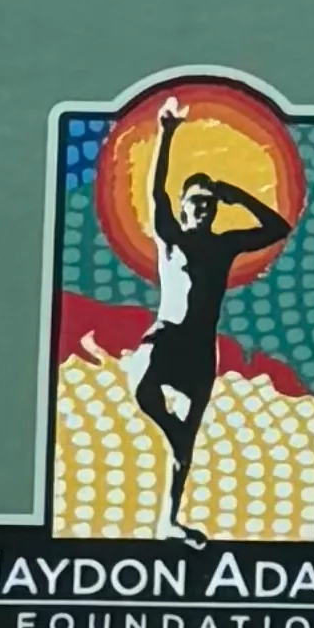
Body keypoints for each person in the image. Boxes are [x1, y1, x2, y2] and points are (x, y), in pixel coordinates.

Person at [128, 95, 293, 527]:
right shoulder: (171, 239)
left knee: (187, 449)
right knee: (141, 382)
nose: (204, 209)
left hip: (200, 351)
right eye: (196, 203)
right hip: (168, 336)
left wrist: (235, 194)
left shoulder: (223, 244)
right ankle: (171, 429)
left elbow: (278, 228)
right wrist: (166, 135)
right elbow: (156, 191)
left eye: (209, 205)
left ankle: (170, 522)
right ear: (183, 210)